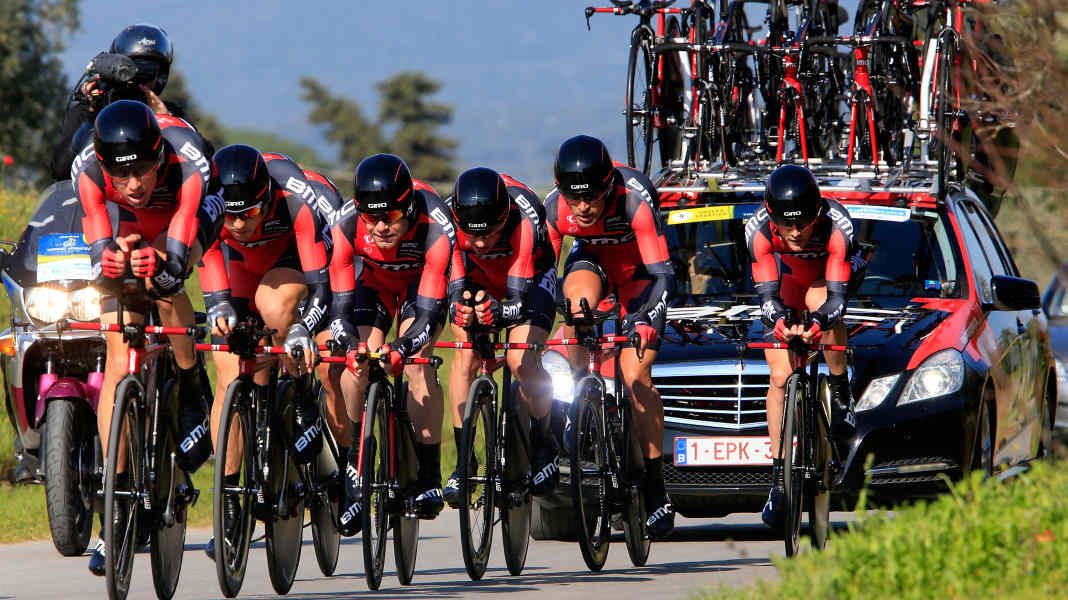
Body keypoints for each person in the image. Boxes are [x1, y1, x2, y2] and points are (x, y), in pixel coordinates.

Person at [74, 99, 222, 575]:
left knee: (164, 283)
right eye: (121, 175)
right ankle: (115, 505)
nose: (133, 185)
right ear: (103, 166)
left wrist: (158, 266)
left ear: (158, 156)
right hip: (132, 229)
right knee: (118, 354)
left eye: (141, 170)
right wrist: (109, 269)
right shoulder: (88, 171)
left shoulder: (187, 161)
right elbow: (98, 250)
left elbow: (176, 259)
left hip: (189, 214)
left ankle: (190, 379)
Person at [198, 145, 332, 559]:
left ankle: (301, 393)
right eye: (230, 215)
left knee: (273, 309)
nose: (238, 224)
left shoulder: (294, 200)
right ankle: (231, 502)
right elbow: (213, 283)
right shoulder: (208, 206)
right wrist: (220, 310)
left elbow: (323, 288)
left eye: (249, 214)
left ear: (268, 200)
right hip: (235, 269)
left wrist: (302, 329)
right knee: (228, 371)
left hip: (289, 262)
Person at [543, 135, 676, 538]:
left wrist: (643, 319)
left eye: (593, 198)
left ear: (608, 187)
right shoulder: (555, 208)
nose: (582, 208)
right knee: (577, 302)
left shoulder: (634, 202)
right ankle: (579, 400)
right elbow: (545, 276)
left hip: (640, 272)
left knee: (636, 378)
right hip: (593, 261)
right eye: (574, 198)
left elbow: (661, 276)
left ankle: (655, 486)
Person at [327, 154, 455, 535]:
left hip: (421, 289)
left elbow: (430, 315)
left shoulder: (436, 225)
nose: (381, 226)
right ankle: (356, 463)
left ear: (409, 207)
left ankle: (429, 473)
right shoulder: (347, 225)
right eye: (372, 217)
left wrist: (403, 348)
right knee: (357, 365)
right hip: (376, 285)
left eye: (392, 217)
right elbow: (338, 307)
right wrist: (350, 345)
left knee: (417, 363)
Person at [745, 164, 859, 529]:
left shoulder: (838, 228)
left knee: (821, 302)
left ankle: (840, 389)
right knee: (779, 377)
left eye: (803, 223)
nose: (795, 232)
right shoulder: (758, 231)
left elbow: (838, 299)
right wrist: (778, 320)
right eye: (787, 224)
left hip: (828, 278)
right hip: (787, 282)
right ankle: (779, 478)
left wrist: (818, 323)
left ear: (817, 213)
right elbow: (766, 294)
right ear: (772, 215)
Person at [442, 167, 559, 507]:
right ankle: (464, 462)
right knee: (464, 354)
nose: (479, 242)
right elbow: (453, 286)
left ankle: (543, 443)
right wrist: (460, 311)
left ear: (503, 217)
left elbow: (518, 303)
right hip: (480, 278)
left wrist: (498, 312)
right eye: (471, 234)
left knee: (519, 357)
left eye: (489, 233)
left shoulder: (524, 216)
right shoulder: (450, 221)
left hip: (530, 279)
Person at [51, 24, 195, 182]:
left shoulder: (170, 113)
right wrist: (91, 115)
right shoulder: (89, 107)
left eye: (147, 72)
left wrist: (166, 119)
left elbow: (200, 160)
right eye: (129, 71)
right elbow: (61, 171)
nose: (137, 81)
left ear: (160, 76)